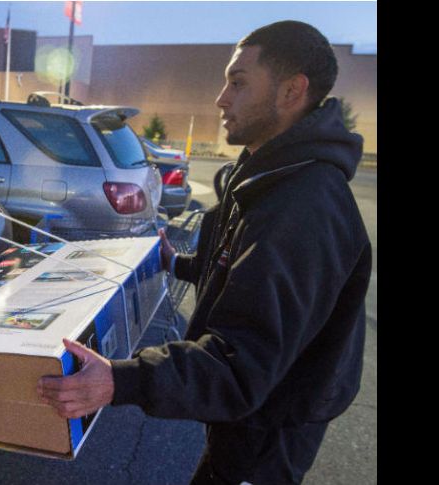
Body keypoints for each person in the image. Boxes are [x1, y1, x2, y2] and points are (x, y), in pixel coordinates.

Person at [37, 20, 371, 485]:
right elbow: (244, 271)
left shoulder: (303, 206)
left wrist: (119, 379)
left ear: (292, 91)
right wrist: (179, 263)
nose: (221, 98)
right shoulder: (270, 172)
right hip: (248, 417)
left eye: (238, 83)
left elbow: (241, 365)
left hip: (267, 433)